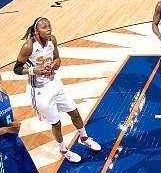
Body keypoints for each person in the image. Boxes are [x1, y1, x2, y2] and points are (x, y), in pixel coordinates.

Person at [15, 17, 101, 163]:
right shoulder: (28, 46)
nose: (49, 29)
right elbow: (16, 69)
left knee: (74, 112)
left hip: (54, 82)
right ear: (37, 31)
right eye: (44, 27)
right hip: (39, 90)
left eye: (49, 26)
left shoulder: (52, 40)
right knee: (56, 123)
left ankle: (84, 138)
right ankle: (63, 150)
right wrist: (33, 70)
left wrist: (55, 64)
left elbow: (58, 59)